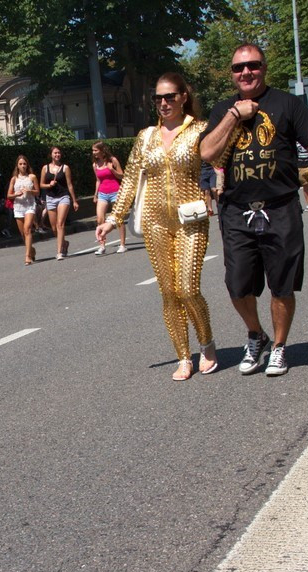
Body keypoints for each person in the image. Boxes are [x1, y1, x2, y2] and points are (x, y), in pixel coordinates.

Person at [199, 43, 308, 377]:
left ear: (264, 68)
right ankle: (256, 334)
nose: (246, 73)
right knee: (237, 284)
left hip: (281, 207)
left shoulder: (286, 103)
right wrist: (233, 116)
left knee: (282, 284)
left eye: (253, 66)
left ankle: (280, 347)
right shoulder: (223, 108)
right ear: (232, 73)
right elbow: (207, 152)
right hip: (236, 210)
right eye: (239, 68)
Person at [97, 72, 219, 381]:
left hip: (190, 219)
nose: (163, 103)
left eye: (169, 97)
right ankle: (183, 356)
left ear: (183, 98)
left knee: (188, 289)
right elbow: (129, 181)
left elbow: (216, 164)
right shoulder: (145, 137)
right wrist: (113, 219)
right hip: (155, 222)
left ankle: (206, 344)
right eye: (158, 98)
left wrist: (216, 191)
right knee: (168, 293)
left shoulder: (200, 131)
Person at [40, 146, 79, 260]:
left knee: (60, 224)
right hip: (51, 198)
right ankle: (64, 243)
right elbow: (41, 184)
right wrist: (49, 185)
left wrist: (74, 200)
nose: (57, 155)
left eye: (59, 153)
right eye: (55, 153)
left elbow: (69, 184)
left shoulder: (65, 168)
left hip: (63, 197)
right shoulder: (45, 168)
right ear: (51, 154)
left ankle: (59, 252)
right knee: (54, 228)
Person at [90, 141, 125, 255]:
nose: (93, 152)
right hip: (102, 193)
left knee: (118, 218)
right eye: (93, 150)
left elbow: (122, 175)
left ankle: (122, 244)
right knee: (100, 219)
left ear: (101, 150)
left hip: (115, 191)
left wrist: (112, 170)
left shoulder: (112, 160)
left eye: (95, 150)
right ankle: (102, 246)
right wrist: (95, 194)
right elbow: (98, 180)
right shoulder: (95, 165)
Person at [7, 155, 40, 265]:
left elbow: (38, 192)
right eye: (20, 164)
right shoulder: (14, 179)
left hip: (29, 205)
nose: (23, 166)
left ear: (27, 165)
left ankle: (27, 256)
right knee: (22, 234)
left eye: (24, 164)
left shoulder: (32, 177)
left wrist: (30, 191)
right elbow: (9, 195)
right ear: (17, 165)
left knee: (27, 229)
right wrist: (15, 194)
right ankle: (31, 250)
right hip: (18, 207)